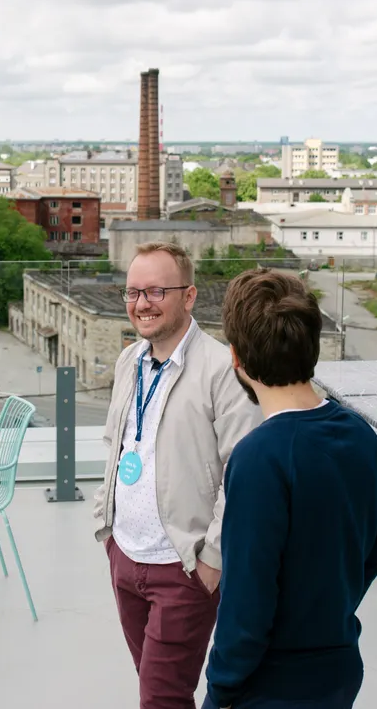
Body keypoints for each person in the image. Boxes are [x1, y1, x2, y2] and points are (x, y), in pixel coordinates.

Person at [203, 269, 377, 709]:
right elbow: (374, 550)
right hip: (339, 665)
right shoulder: (363, 435)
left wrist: (221, 688)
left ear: (236, 359)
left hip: (272, 684)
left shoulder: (257, 459)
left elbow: (246, 601)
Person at [93, 242, 263, 709]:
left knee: (161, 696)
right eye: (132, 292)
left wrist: (212, 558)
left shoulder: (221, 370)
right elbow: (118, 447)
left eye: (155, 291)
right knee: (159, 687)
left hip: (183, 565)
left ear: (188, 297)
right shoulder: (131, 360)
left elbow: (242, 473)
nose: (141, 303)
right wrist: (108, 531)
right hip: (126, 554)